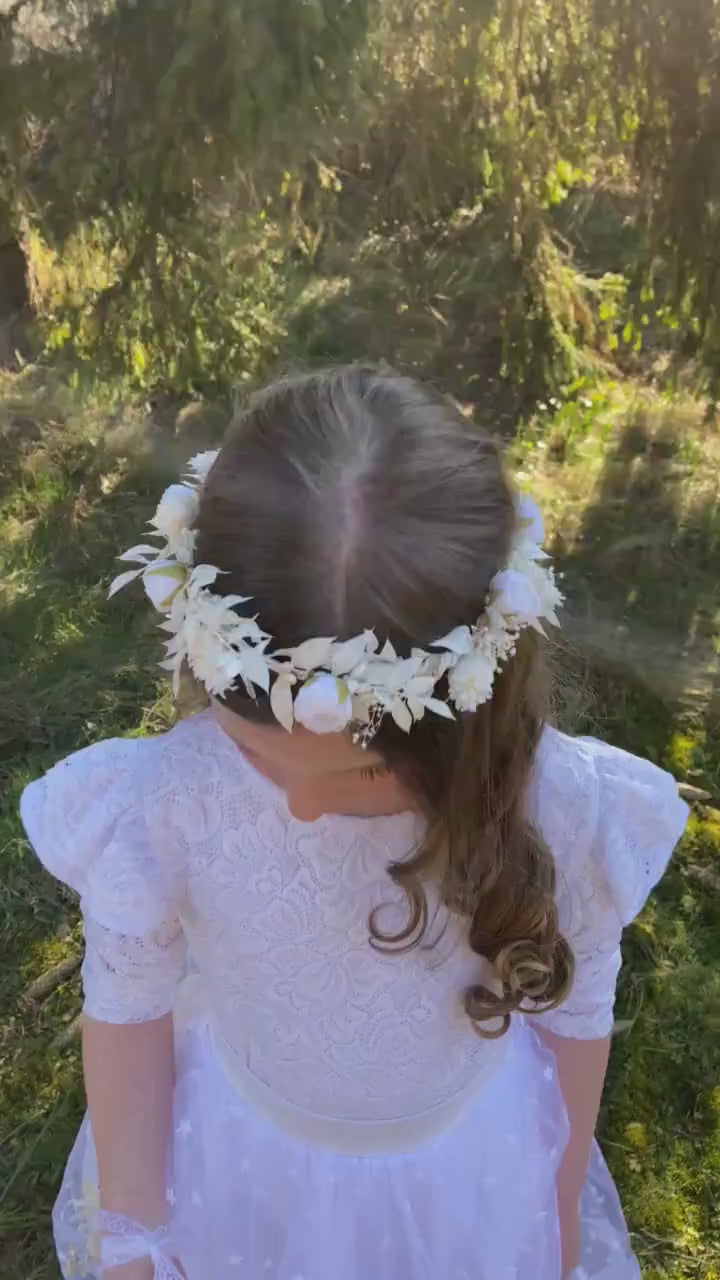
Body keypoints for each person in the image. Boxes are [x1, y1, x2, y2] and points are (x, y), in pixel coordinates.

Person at [21, 366, 688, 1280]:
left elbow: (577, 1005)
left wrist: (556, 1215)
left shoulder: (558, 807)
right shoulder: (163, 803)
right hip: (244, 1178)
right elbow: (128, 1005)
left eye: (365, 769)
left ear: (467, 719)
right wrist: (134, 1241)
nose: (298, 804)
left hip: (466, 1179)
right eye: (258, 753)